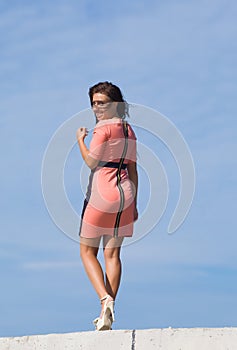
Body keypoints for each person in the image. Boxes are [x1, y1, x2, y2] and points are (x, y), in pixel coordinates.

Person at [76, 82, 138, 331]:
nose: (96, 107)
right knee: (112, 255)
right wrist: (134, 202)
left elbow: (92, 161)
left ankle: (105, 298)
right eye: (93, 103)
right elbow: (133, 168)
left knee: (86, 252)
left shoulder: (102, 128)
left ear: (115, 104)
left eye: (102, 102)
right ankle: (106, 314)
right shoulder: (129, 129)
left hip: (102, 193)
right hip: (126, 193)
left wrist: (80, 140)